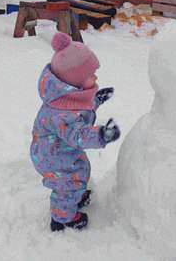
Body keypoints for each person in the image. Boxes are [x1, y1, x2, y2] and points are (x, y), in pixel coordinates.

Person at [30, 32, 121, 232]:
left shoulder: (69, 97)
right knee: (67, 183)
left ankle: (74, 197)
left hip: (61, 151)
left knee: (80, 172)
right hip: (52, 157)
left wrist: (96, 100)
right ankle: (63, 218)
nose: (95, 77)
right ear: (75, 81)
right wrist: (101, 135)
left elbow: (80, 110)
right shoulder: (60, 114)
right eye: (90, 75)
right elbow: (77, 134)